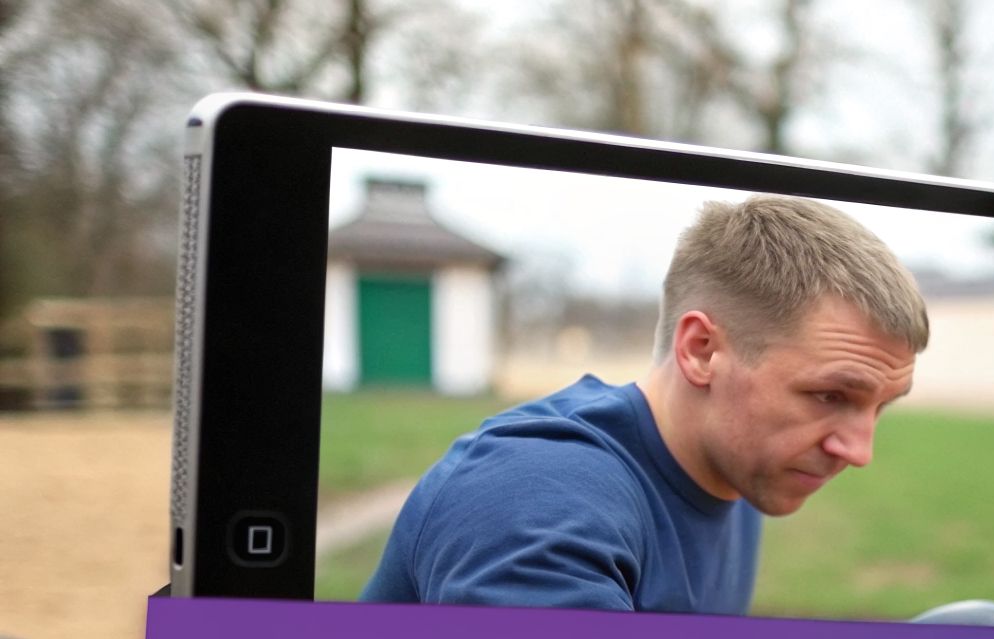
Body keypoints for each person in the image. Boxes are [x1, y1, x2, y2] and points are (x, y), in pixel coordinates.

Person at [360, 195, 929, 613]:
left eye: (882, 406)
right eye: (831, 395)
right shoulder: (539, 501)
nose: (858, 451)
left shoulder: (740, 471)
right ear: (701, 350)